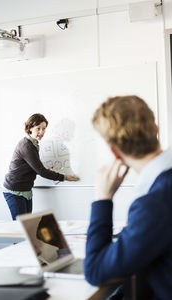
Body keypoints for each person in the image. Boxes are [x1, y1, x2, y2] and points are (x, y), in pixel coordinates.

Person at [84, 95, 172, 299]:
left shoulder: (155, 203)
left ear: (114, 152)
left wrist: (102, 199)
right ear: (156, 130)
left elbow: (96, 271)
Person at [3, 113, 79, 220]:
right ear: (30, 128)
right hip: (15, 190)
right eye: (38, 128)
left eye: (44, 129)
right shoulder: (26, 146)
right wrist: (64, 177)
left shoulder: (33, 144)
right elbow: (41, 171)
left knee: (28, 224)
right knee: (21, 227)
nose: (41, 132)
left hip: (26, 190)